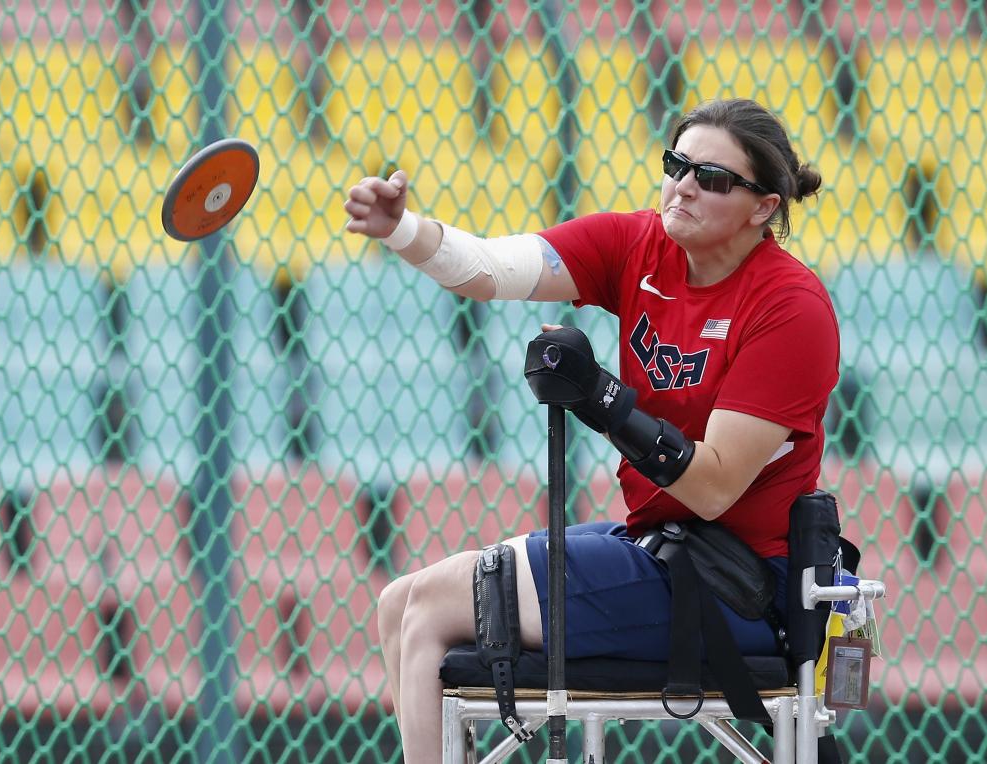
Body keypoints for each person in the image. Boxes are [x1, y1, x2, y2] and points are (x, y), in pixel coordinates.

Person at [345, 98, 835, 763]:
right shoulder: (638, 245)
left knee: (430, 605)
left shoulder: (790, 307)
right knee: (397, 602)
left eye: (712, 178)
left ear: (763, 208)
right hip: (666, 547)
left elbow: (715, 487)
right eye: (676, 164)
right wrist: (404, 230)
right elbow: (491, 270)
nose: (683, 185)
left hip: (743, 583)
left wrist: (604, 399)